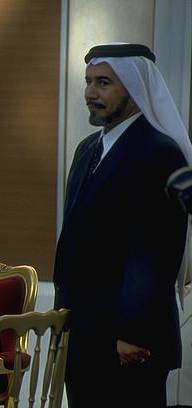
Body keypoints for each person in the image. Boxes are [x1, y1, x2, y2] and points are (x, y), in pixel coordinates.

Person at [53, 43, 192, 407]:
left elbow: (155, 251)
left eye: (103, 83)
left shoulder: (158, 152)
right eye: (88, 82)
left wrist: (133, 332)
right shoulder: (86, 149)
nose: (90, 93)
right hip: (82, 337)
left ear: (134, 87)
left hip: (128, 343)